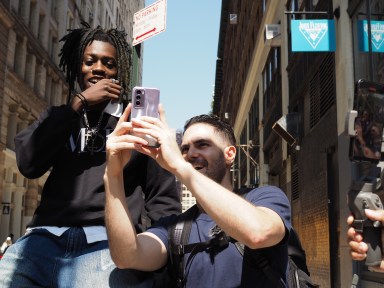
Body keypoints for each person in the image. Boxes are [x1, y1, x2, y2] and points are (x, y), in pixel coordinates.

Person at [0, 22, 181, 287]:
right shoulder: (58, 117)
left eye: (109, 63)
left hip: (105, 245)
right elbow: (28, 163)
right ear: (78, 66)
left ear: (121, 72)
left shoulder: (137, 126)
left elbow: (164, 203)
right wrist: (78, 103)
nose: (98, 68)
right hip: (41, 241)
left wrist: (155, 259)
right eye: (90, 61)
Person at [104, 107, 292, 287]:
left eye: (202, 145)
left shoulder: (265, 197)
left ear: (230, 154)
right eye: (184, 149)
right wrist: (113, 176)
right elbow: (126, 257)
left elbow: (258, 233)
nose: (191, 154)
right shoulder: (173, 228)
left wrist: (179, 165)